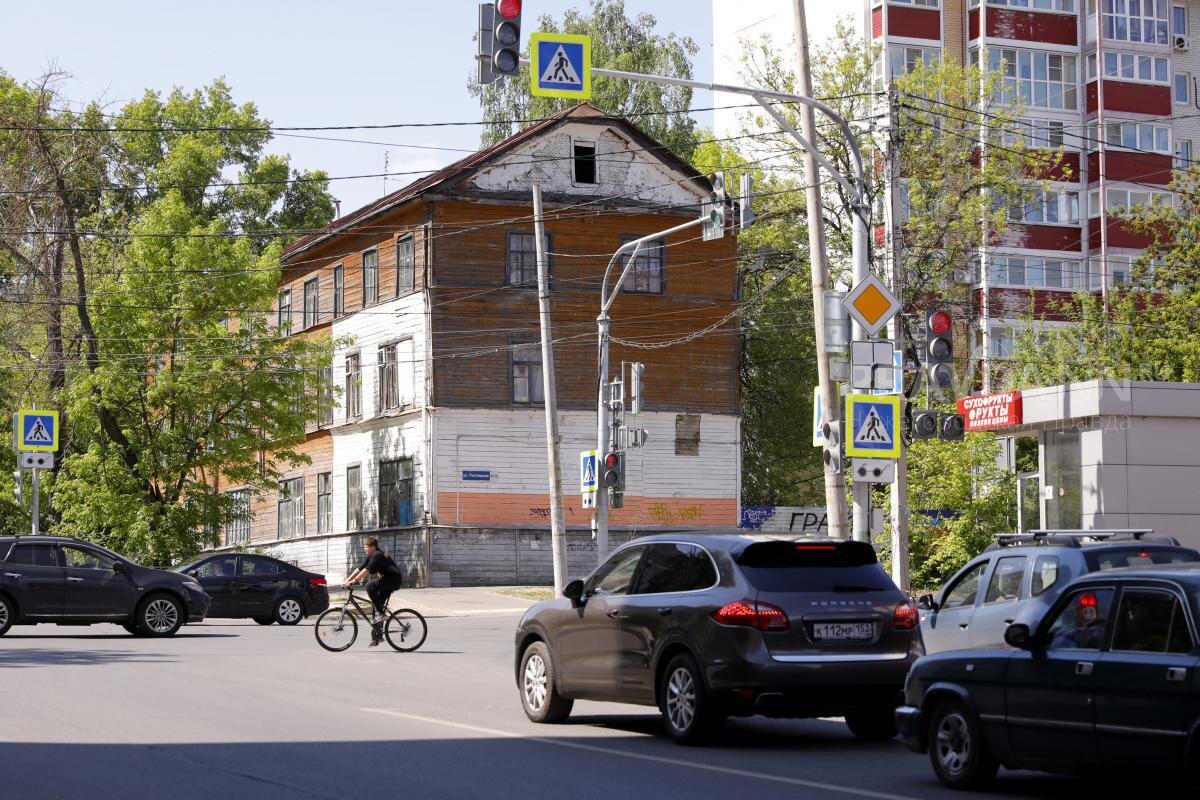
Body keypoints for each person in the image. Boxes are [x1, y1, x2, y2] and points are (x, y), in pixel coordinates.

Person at [344, 536, 404, 646]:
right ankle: (377, 637)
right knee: (376, 608)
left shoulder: (378, 555)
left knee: (369, 586)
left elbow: (366, 571)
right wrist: (347, 580)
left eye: (366, 547)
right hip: (387, 580)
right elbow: (361, 568)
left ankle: (381, 614)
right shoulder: (371, 555)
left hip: (393, 580)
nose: (364, 549)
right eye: (364, 547)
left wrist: (355, 581)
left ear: (373, 546)